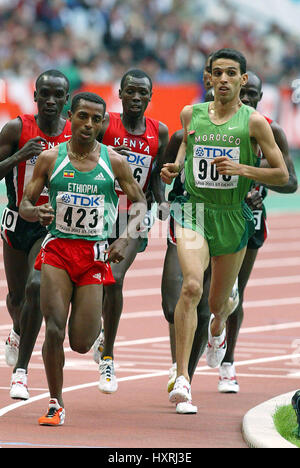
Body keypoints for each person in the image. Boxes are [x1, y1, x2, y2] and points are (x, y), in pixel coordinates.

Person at [160, 48, 289, 410]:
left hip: (232, 216)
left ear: (242, 80)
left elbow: (281, 174)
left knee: (218, 304)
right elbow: (187, 143)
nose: (224, 80)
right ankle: (183, 377)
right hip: (195, 211)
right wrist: (177, 167)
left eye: (232, 73)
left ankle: (221, 320)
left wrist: (243, 171)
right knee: (191, 287)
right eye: (218, 73)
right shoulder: (192, 114)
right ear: (209, 77)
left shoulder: (254, 123)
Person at [19, 91, 147, 426]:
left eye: (96, 119)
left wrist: (124, 237)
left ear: (103, 122)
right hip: (58, 251)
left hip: (94, 256)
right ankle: (55, 403)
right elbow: (25, 204)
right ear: (70, 116)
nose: (89, 124)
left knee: (79, 342)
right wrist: (37, 211)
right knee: (53, 330)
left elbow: (142, 204)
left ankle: (98, 333)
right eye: (82, 117)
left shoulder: (114, 162)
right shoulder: (50, 158)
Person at [218, 70, 298, 393]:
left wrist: (260, 178)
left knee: (235, 291)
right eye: (243, 92)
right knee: (200, 289)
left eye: (253, 94)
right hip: (209, 215)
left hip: (248, 218)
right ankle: (185, 368)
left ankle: (228, 363)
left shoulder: (270, 129)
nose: (247, 98)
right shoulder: (207, 124)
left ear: (260, 99)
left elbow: (291, 182)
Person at [92, 69, 169, 394]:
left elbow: (155, 176)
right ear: (120, 94)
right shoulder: (105, 124)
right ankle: (97, 330)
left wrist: (162, 201)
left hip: (135, 215)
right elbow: (83, 156)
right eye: (131, 92)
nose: (136, 98)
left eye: (142, 93)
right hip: (97, 211)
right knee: (92, 278)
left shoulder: (160, 132)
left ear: (150, 98)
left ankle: (109, 355)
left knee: (115, 277)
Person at [0, 70, 71, 400]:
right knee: (16, 298)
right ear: (36, 96)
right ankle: (17, 329)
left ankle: (20, 373)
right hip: (17, 221)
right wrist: (19, 156)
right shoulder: (16, 128)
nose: (52, 100)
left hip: (50, 225)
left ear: (67, 99)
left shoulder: (74, 134)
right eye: (46, 94)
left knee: (36, 287)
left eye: (58, 94)